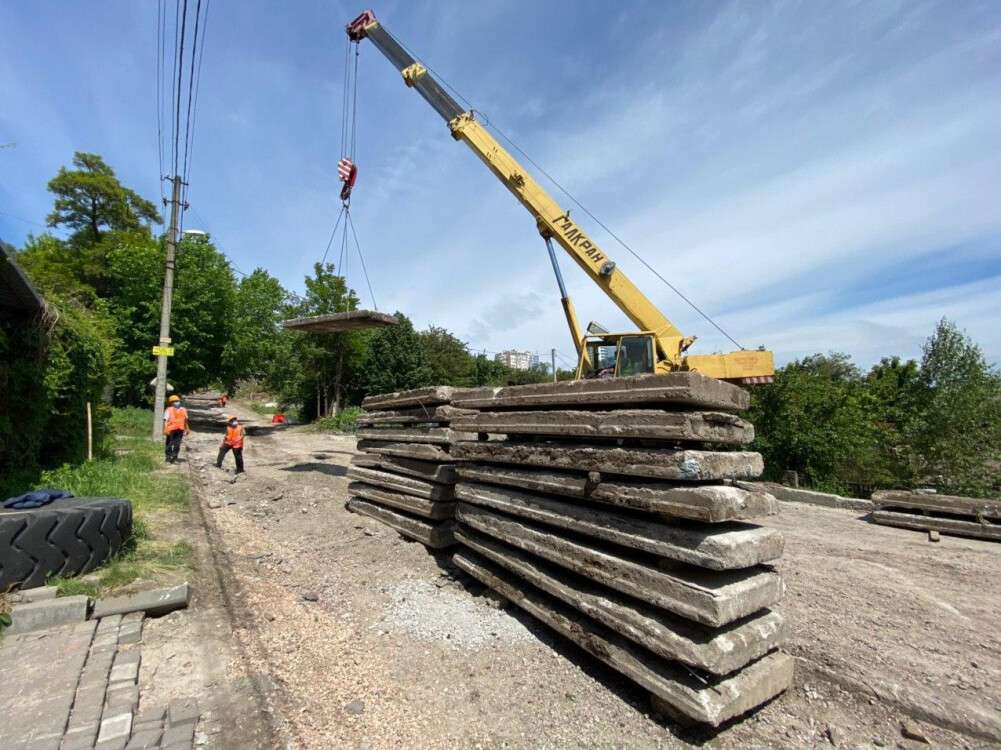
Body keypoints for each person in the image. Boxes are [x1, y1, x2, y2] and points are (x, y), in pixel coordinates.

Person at [163, 394, 189, 464]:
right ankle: (168, 458)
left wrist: (187, 429)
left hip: (180, 429)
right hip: (170, 430)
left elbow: (185, 420)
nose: (177, 402)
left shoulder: (183, 410)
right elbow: (165, 420)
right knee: (169, 444)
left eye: (177, 401)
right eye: (174, 401)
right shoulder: (168, 410)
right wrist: (165, 429)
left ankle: (174, 458)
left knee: (177, 444)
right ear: (171, 403)